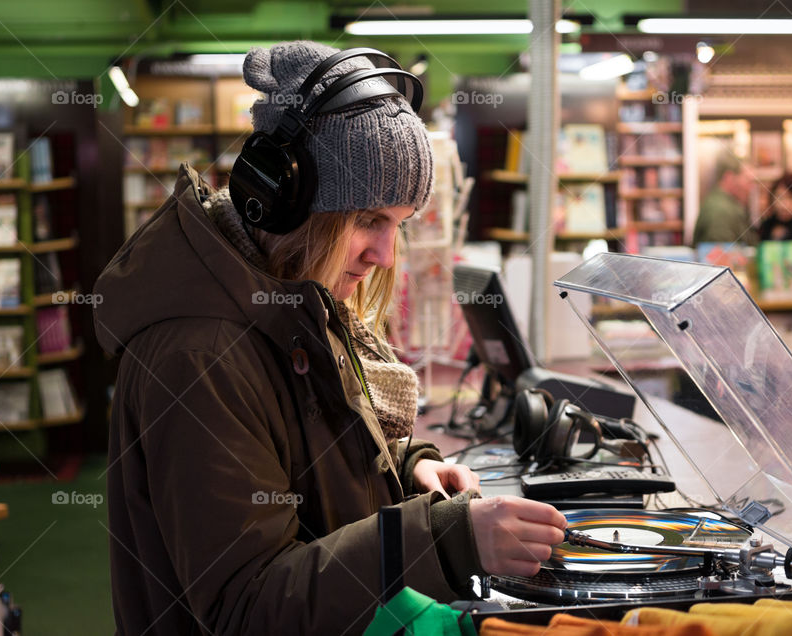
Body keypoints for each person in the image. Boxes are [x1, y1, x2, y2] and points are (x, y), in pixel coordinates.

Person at [94, 40, 567, 635]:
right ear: (282, 201)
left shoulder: (292, 301)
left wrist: (405, 467)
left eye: (398, 224)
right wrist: (439, 542)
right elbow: (249, 606)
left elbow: (304, 467)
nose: (384, 254)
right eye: (367, 219)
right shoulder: (200, 356)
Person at [692, 152, 756, 246]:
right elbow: (721, 256)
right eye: (748, 180)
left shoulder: (723, 204)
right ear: (729, 178)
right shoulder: (721, 211)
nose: (751, 188)